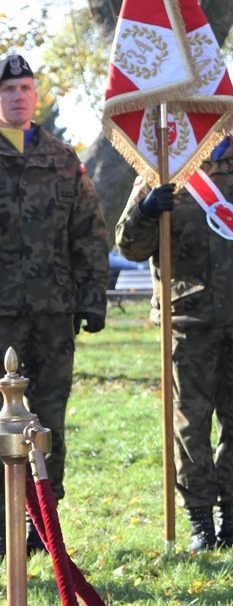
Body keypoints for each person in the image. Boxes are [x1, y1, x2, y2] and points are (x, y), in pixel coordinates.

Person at [115, 134, 233, 552]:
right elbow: (129, 245)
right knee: (189, 428)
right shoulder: (160, 168)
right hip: (186, 321)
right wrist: (145, 210)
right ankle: (200, 524)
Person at [0, 54, 110, 554]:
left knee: (47, 420)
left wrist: (92, 299)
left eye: (25, 87)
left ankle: (41, 521)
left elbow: (87, 232)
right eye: (8, 89)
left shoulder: (63, 158)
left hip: (50, 314)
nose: (18, 96)